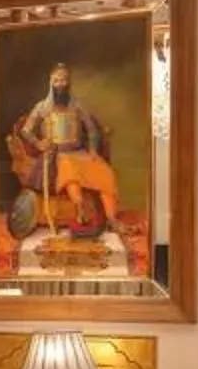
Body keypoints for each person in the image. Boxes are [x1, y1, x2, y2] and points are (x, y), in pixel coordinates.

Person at [7, 62, 123, 237]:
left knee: (106, 172)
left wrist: (92, 149)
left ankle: (112, 219)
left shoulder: (77, 105)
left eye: (64, 80)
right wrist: (39, 144)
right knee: (70, 172)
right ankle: (80, 211)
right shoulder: (42, 107)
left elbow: (91, 129)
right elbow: (25, 131)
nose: (60, 84)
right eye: (57, 80)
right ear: (51, 83)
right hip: (56, 154)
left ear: (68, 83)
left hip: (79, 152)